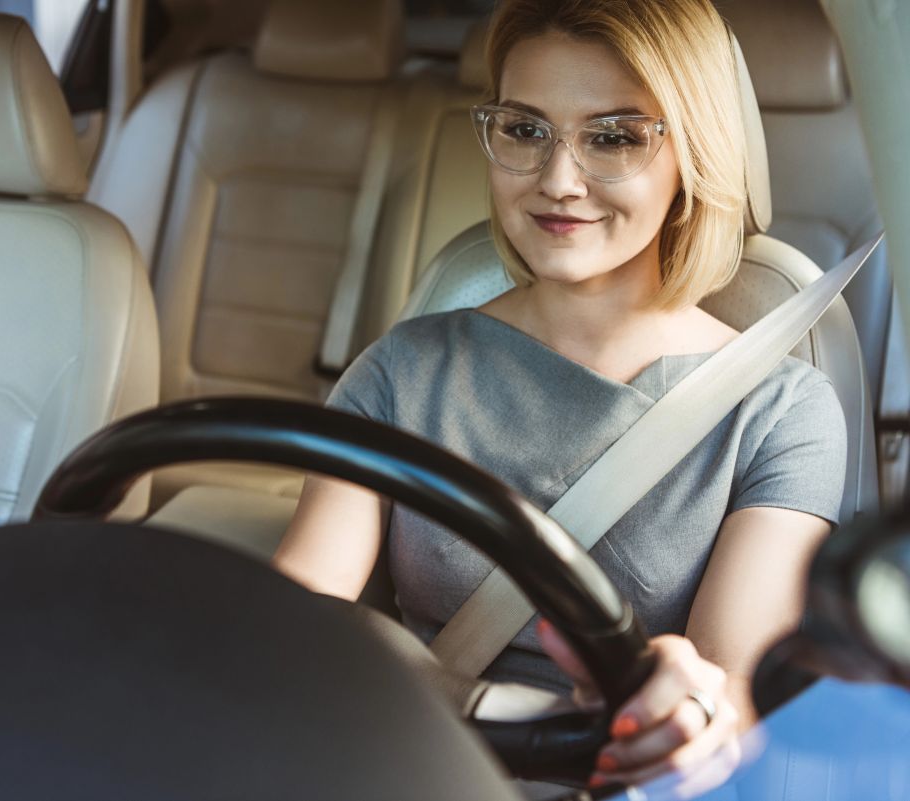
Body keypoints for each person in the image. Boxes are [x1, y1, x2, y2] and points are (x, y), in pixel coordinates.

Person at [272, 0, 848, 793]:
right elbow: (297, 620)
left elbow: (734, 691)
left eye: (612, 137)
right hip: (408, 762)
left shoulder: (782, 411)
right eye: (524, 129)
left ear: (695, 153)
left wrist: (686, 710)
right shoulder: (400, 369)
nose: (559, 180)